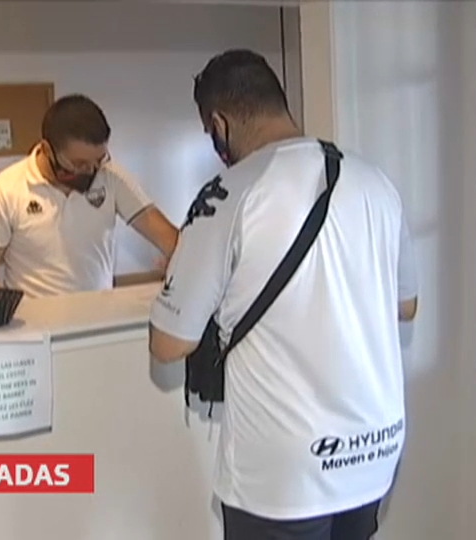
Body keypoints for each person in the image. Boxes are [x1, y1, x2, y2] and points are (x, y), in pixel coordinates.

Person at [148, 50, 419, 540]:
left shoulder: (226, 195)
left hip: (283, 472)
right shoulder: (374, 182)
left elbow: (168, 343)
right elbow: (406, 305)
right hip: (374, 449)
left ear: (219, 123)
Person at [0, 94, 179, 298]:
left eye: (99, 160)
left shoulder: (111, 177)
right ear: (47, 150)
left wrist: (182, 263)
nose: (91, 171)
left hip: (98, 321)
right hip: (35, 327)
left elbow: (171, 240)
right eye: (79, 164)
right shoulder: (6, 190)